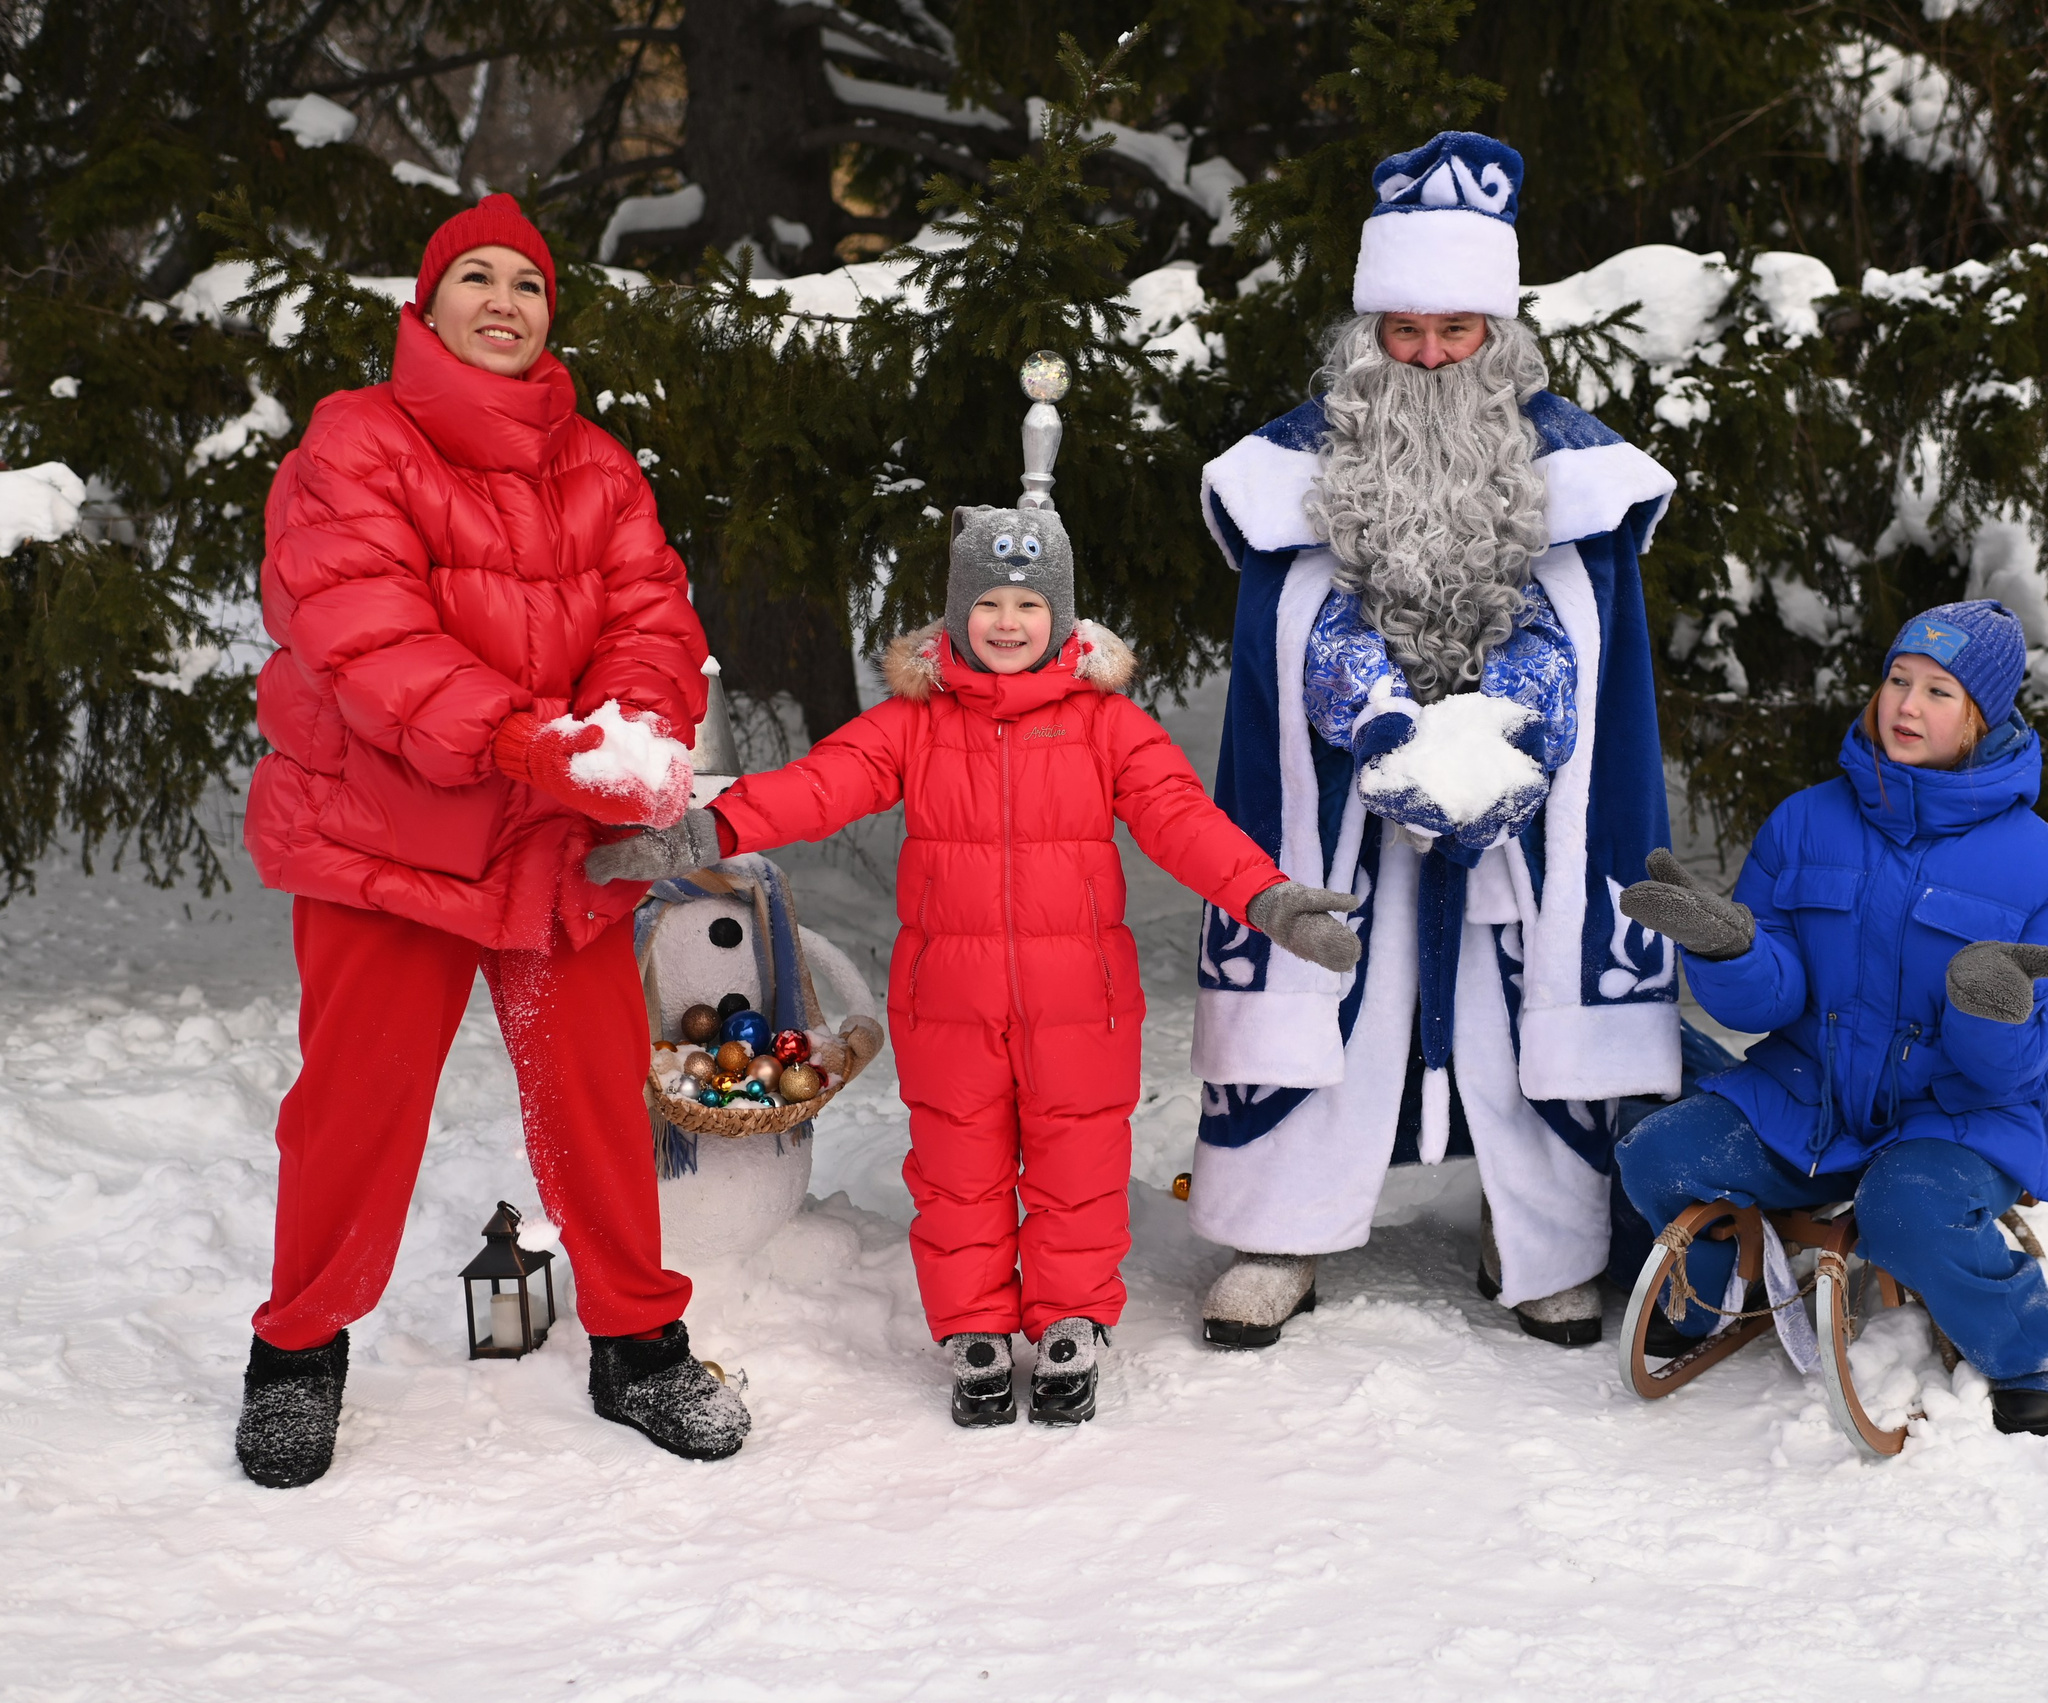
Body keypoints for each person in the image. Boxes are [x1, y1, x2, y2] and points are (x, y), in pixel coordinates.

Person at [588, 502, 1361, 1427]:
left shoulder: (1107, 725)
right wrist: (707, 831)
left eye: (1028, 605)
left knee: (1078, 1164)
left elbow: (1183, 821)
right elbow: (818, 785)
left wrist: (1268, 898)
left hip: (1084, 1005)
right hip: (948, 1006)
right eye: (987, 600)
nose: (1006, 621)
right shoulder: (916, 723)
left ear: (1062, 618)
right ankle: (976, 1329)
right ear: (956, 613)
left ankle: (1071, 1317)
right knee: (958, 1171)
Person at [236, 193, 746, 1488]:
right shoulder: (354, 443)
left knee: (599, 1107)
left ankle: (637, 1342)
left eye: (527, 281)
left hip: (555, 844)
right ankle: (298, 1351)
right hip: (387, 839)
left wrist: (631, 736)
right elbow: (363, 634)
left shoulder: (598, 464)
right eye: (475, 276)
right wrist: (527, 738)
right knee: (353, 1109)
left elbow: (652, 617)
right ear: (428, 303)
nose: (504, 300)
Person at [1182, 131, 1686, 1349]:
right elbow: (1289, 622)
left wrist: (1505, 737)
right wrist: (1389, 727)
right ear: (1367, 334)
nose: (1426, 358)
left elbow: (1584, 619)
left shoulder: (1576, 462)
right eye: (1402, 333)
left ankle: (1542, 1233)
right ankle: (1281, 1229)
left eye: (1454, 333)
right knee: (1333, 986)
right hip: (1351, 792)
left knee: (1521, 997)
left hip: (1522, 791)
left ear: (1498, 334)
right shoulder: (1291, 460)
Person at [1614, 599, 2048, 1436]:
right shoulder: (1807, 822)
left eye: (1939, 692)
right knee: (1663, 1151)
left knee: (1907, 1207)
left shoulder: (2044, 865)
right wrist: (1730, 951)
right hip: (1813, 1094)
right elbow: (1775, 996)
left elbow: (2018, 1062)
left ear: (1983, 716)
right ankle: (1715, 1292)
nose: (1906, 705)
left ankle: (2026, 1351)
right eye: (1898, 680)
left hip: (1958, 1115)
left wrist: (1990, 1007)